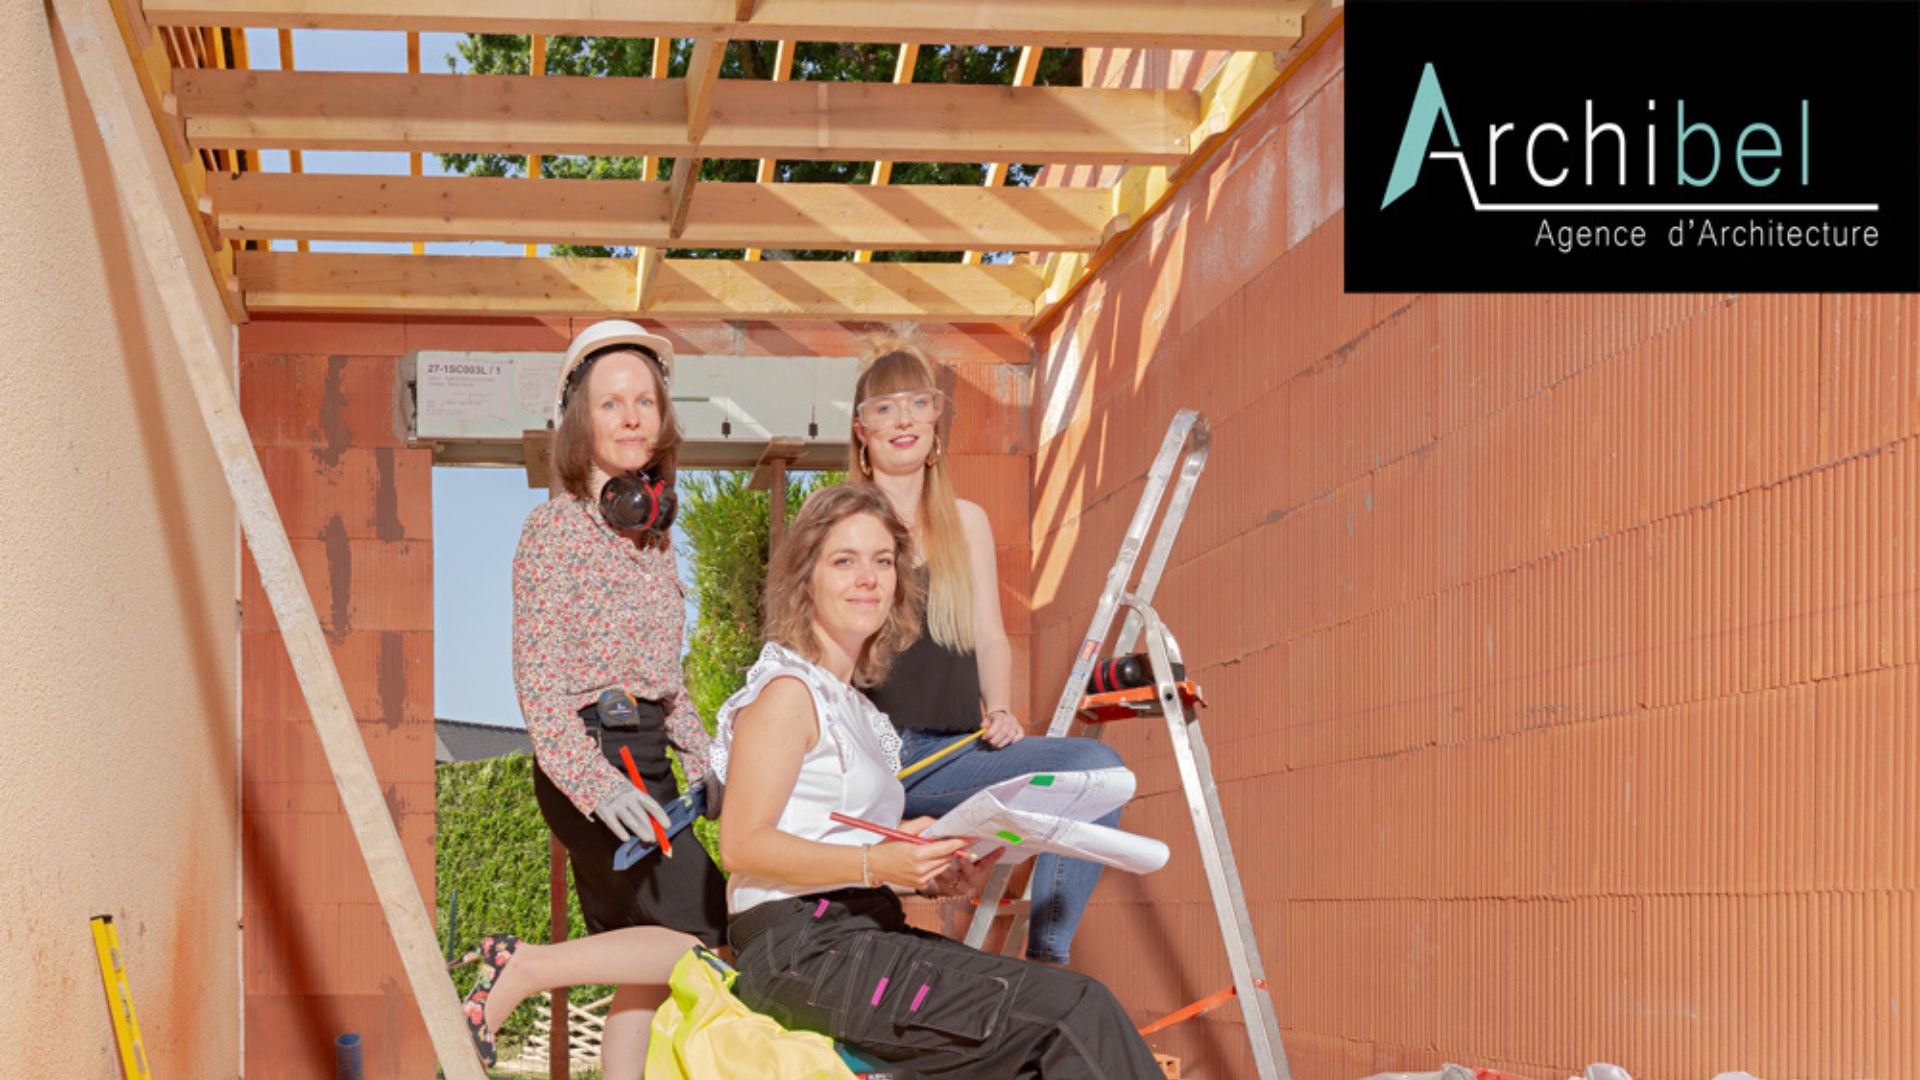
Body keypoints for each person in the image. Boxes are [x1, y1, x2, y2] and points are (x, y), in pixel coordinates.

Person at [709, 485, 1161, 1078]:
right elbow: (742, 844)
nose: (868, 578)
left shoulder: (859, 711)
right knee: (1075, 1013)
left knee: (1041, 1042)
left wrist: (924, 862)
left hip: (859, 932)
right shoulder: (787, 692)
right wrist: (879, 864)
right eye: (844, 561)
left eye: (883, 561)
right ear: (805, 578)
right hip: (803, 953)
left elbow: (824, 827)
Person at [470, 320, 728, 1073]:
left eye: (644, 402)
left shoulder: (656, 544)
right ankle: (524, 968)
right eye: (612, 403)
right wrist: (593, 782)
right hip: (592, 759)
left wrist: (709, 760)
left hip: (648, 758)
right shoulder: (551, 530)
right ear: (580, 421)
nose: (630, 416)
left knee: (643, 968)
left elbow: (668, 684)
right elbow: (541, 686)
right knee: (710, 932)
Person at [849, 346, 1124, 965]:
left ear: (935, 424)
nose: (904, 419)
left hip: (952, 753)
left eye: (919, 403)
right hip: (874, 760)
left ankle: (1046, 960)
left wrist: (999, 708)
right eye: (886, 407)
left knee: (1096, 770)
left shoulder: (965, 522)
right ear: (862, 431)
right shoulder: (844, 520)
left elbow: (990, 635)